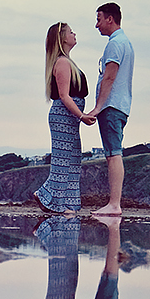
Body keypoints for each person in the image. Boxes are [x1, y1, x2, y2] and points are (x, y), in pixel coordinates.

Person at [34, 23, 88, 215]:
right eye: (71, 32)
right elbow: (65, 96)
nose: (74, 34)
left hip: (68, 118)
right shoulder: (63, 62)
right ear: (62, 38)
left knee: (73, 159)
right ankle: (49, 198)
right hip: (64, 116)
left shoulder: (66, 61)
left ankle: (68, 204)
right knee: (63, 160)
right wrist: (82, 115)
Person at [89, 2, 133, 216]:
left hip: (112, 105)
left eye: (99, 19)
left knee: (113, 153)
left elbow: (109, 77)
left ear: (110, 18)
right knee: (112, 152)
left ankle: (114, 204)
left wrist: (98, 107)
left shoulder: (115, 44)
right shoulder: (123, 42)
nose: (96, 25)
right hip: (119, 105)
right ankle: (114, 203)